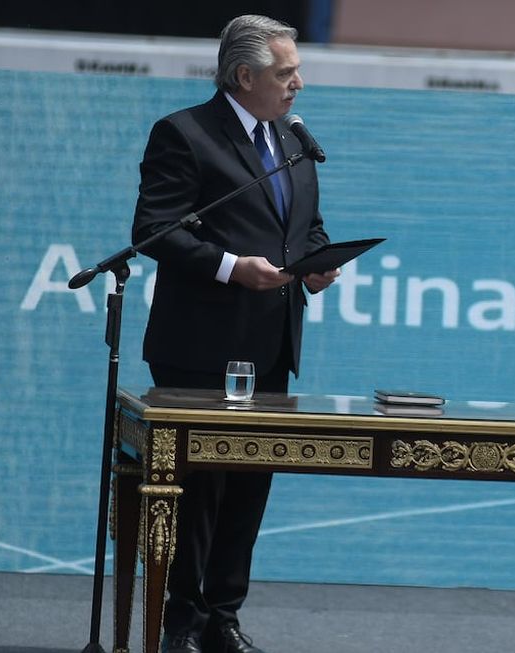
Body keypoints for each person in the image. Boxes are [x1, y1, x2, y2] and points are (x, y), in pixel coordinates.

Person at [131, 14, 339, 653]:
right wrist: (229, 267)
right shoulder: (185, 134)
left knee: (248, 489)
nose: (298, 83)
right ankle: (180, 622)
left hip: (271, 346)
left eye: (297, 70)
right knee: (197, 495)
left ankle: (222, 619)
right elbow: (155, 229)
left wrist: (317, 263)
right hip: (200, 347)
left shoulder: (293, 141)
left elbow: (307, 228)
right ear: (244, 75)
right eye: (285, 73)